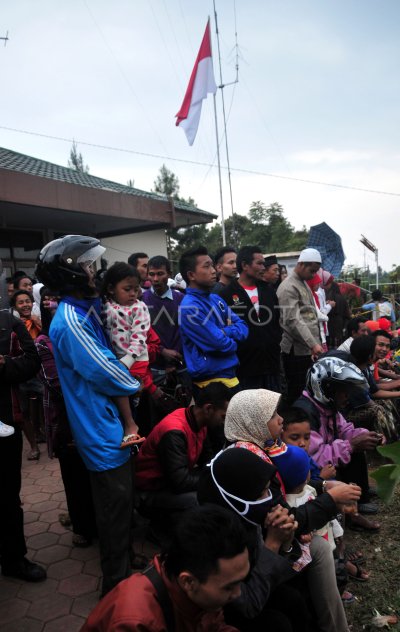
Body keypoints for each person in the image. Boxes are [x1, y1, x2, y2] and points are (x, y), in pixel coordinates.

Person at [36, 234, 141, 596]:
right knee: (114, 511)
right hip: (101, 430)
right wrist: (135, 378)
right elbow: (108, 372)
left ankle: (125, 563)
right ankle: (116, 589)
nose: (94, 272)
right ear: (71, 274)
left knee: (122, 505)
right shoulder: (71, 321)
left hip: (107, 422)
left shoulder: (82, 311)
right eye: (86, 266)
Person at [223, 388, 356, 632]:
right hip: (259, 552)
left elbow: (293, 487)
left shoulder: (257, 450)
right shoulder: (247, 463)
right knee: (319, 547)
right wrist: (330, 499)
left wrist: (324, 485)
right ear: (254, 420)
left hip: (270, 542)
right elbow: (282, 515)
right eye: (273, 415)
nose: (280, 420)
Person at [81, 505, 250, 632]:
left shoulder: (196, 587)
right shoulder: (134, 622)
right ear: (188, 581)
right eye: (229, 587)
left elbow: (214, 625)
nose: (237, 594)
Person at [198, 447, 310, 632]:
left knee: (293, 600)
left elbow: (274, 575)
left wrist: (287, 541)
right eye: (261, 493)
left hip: (253, 591)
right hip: (224, 613)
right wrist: (273, 544)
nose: (270, 499)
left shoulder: (246, 518)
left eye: (268, 489)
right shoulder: (213, 538)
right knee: (277, 625)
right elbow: (247, 605)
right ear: (234, 498)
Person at [294, 356, 382, 530]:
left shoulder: (327, 406)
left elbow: (346, 430)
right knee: (351, 447)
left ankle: (360, 497)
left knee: (356, 445)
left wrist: (367, 436)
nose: (347, 396)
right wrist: (351, 445)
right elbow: (314, 457)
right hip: (312, 473)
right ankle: (348, 517)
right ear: (326, 389)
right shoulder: (306, 413)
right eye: (343, 390)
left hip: (325, 464)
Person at [135, 382, 232, 535]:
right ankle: (164, 531)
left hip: (168, 484)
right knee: (200, 499)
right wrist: (213, 481)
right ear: (208, 409)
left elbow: (208, 462)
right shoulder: (174, 431)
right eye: (223, 416)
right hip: (149, 492)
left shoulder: (200, 421)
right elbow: (179, 483)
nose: (224, 422)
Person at [0, 303, 47, 582]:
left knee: (6, 496)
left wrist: (5, 364)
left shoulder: (9, 323)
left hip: (4, 424)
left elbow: (33, 362)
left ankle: (13, 559)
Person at [179, 246, 248, 396]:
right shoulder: (190, 307)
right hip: (210, 383)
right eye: (207, 266)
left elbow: (243, 328)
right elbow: (219, 344)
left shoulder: (216, 299)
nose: (213, 270)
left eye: (212, 265)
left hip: (229, 375)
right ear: (191, 275)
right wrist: (231, 338)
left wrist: (224, 332)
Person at [101, 261, 152, 447]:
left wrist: (127, 361)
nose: (133, 293)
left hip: (136, 359)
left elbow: (140, 337)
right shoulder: (106, 306)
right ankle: (129, 425)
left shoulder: (139, 308)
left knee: (124, 392)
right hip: (117, 360)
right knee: (123, 394)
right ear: (111, 289)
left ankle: (131, 427)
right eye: (127, 289)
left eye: (136, 289)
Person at [220, 245, 281, 391]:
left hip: (271, 364)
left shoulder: (268, 290)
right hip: (245, 368)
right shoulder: (227, 294)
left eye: (264, 263)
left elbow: (276, 322)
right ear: (245, 265)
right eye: (259, 263)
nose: (263, 267)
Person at [277, 248, 323, 404]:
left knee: (307, 390)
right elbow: (293, 320)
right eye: (312, 270)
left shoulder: (303, 283)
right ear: (302, 264)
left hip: (307, 349)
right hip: (295, 350)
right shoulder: (288, 286)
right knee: (296, 392)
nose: (314, 275)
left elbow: (310, 315)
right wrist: (313, 344)